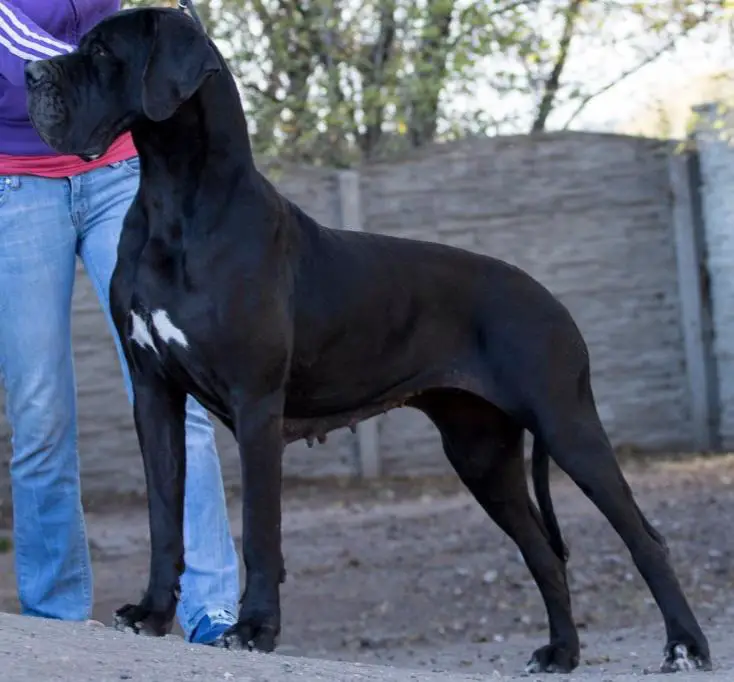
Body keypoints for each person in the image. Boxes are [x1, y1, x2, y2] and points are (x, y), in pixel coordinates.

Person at [0, 0, 241, 645]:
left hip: (121, 171)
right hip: (14, 184)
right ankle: (57, 619)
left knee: (178, 390)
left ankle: (210, 608)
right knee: (40, 415)